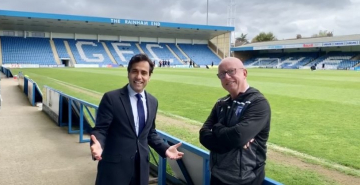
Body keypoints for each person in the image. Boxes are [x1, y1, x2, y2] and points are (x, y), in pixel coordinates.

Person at [91, 53, 184, 185]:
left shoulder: (153, 101)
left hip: (141, 170)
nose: (139, 77)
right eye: (135, 71)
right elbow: (100, 130)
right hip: (114, 170)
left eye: (144, 73)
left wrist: (165, 149)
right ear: (128, 73)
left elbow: (150, 133)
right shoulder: (111, 98)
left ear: (149, 77)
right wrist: (98, 144)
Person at [199, 57, 271, 185]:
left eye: (231, 71)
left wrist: (217, 129)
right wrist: (232, 140)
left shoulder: (258, 103)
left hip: (246, 180)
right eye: (222, 74)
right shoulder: (221, 103)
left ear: (244, 73)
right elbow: (203, 135)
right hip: (216, 176)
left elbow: (237, 136)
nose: (226, 77)